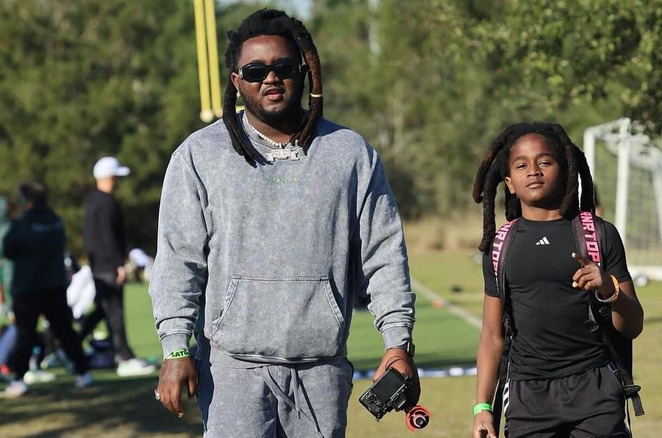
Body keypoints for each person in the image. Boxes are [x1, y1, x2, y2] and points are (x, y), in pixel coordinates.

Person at [149, 8, 419, 437]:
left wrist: (398, 343)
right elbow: (179, 259)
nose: (270, 79)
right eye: (255, 70)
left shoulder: (350, 153)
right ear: (236, 81)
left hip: (321, 367)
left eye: (284, 68)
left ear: (306, 73)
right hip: (231, 368)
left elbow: (384, 256)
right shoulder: (199, 155)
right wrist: (175, 346)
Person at [470, 123, 644, 438]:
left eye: (544, 162)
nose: (533, 171)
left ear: (564, 171)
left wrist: (609, 288)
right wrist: (482, 408)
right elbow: (493, 336)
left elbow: (632, 326)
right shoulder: (500, 246)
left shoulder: (598, 235)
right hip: (527, 398)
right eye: (521, 165)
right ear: (509, 182)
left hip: (596, 391)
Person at [1, 182, 92, 397]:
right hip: (54, 285)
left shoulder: (23, 224)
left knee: (25, 334)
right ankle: (84, 372)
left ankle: (18, 380)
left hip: (28, 288)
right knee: (65, 331)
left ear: (27, 201)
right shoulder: (55, 221)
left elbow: (7, 249)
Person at [83, 156, 156, 376]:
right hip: (109, 268)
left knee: (102, 312)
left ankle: (73, 348)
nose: (118, 181)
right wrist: (119, 265)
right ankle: (124, 358)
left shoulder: (92, 201)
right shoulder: (106, 203)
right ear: (108, 177)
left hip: (99, 267)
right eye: (115, 177)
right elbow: (108, 238)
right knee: (114, 313)